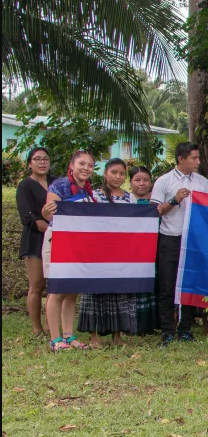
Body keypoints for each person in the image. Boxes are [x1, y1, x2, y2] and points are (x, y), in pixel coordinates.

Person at [150, 143, 208, 345]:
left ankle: (185, 328)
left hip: (193, 240)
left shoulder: (202, 182)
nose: (198, 162)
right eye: (194, 158)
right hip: (170, 238)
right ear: (181, 159)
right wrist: (174, 200)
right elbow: (156, 211)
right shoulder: (164, 181)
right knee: (167, 285)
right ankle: (167, 330)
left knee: (189, 285)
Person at [40, 150, 97, 351]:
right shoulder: (60, 185)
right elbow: (49, 214)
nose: (86, 168)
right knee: (57, 291)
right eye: (82, 164)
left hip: (78, 245)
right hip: (58, 241)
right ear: (72, 165)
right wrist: (45, 211)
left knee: (72, 292)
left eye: (90, 165)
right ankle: (55, 339)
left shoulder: (88, 192)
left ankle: (69, 335)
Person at [78, 159, 138, 347]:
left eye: (122, 174)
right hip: (96, 253)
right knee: (95, 293)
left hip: (121, 253)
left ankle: (117, 336)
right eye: (114, 172)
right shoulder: (93, 196)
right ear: (105, 174)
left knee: (119, 292)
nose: (118, 177)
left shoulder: (130, 198)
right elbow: (81, 218)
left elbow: (136, 224)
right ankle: (94, 337)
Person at [16, 147, 53, 338]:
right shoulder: (25, 186)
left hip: (57, 239)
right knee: (37, 285)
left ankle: (50, 326)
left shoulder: (56, 184)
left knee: (54, 286)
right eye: (37, 159)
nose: (42, 162)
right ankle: (37, 329)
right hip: (35, 239)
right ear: (30, 163)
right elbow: (28, 217)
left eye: (45, 159)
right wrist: (52, 229)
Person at [128, 166, 159, 336]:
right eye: (137, 180)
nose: (142, 183)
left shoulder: (157, 202)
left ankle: (151, 323)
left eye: (146, 180)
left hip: (153, 249)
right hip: (131, 251)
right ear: (130, 182)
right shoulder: (126, 201)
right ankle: (132, 324)